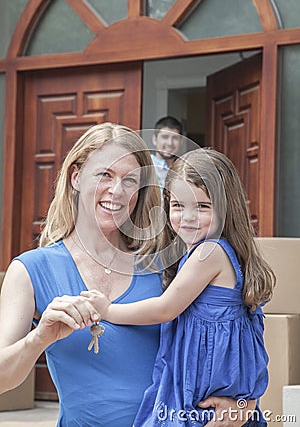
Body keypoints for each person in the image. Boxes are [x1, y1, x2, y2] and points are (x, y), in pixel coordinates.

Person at [0, 124, 254, 427]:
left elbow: (234, 326)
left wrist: (245, 403)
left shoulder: (167, 264)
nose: (117, 191)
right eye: (104, 174)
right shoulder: (30, 270)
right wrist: (39, 338)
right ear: (76, 177)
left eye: (130, 180)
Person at [84, 148, 276, 426]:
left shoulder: (208, 253)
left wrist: (108, 310)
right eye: (177, 205)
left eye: (202, 206)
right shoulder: (202, 253)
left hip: (201, 398)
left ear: (226, 207)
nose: (188, 217)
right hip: (209, 397)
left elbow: (165, 309)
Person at [151, 116, 184, 190]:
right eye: (165, 137)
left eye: (175, 138)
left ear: (181, 141)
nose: (170, 143)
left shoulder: (184, 169)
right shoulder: (144, 166)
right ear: (154, 139)